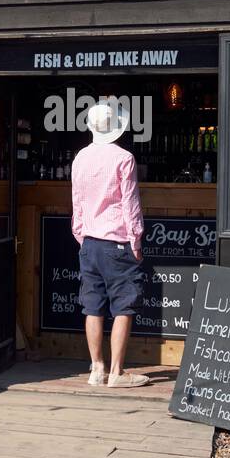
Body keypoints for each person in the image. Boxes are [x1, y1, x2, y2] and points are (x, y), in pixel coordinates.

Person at [70, 98, 150, 388]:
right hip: (117, 242)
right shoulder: (123, 158)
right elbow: (130, 204)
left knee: (92, 306)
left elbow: (77, 204)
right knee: (123, 306)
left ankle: (96, 369)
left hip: (89, 242)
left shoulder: (80, 157)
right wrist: (136, 240)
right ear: (118, 128)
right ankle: (116, 372)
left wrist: (81, 236)